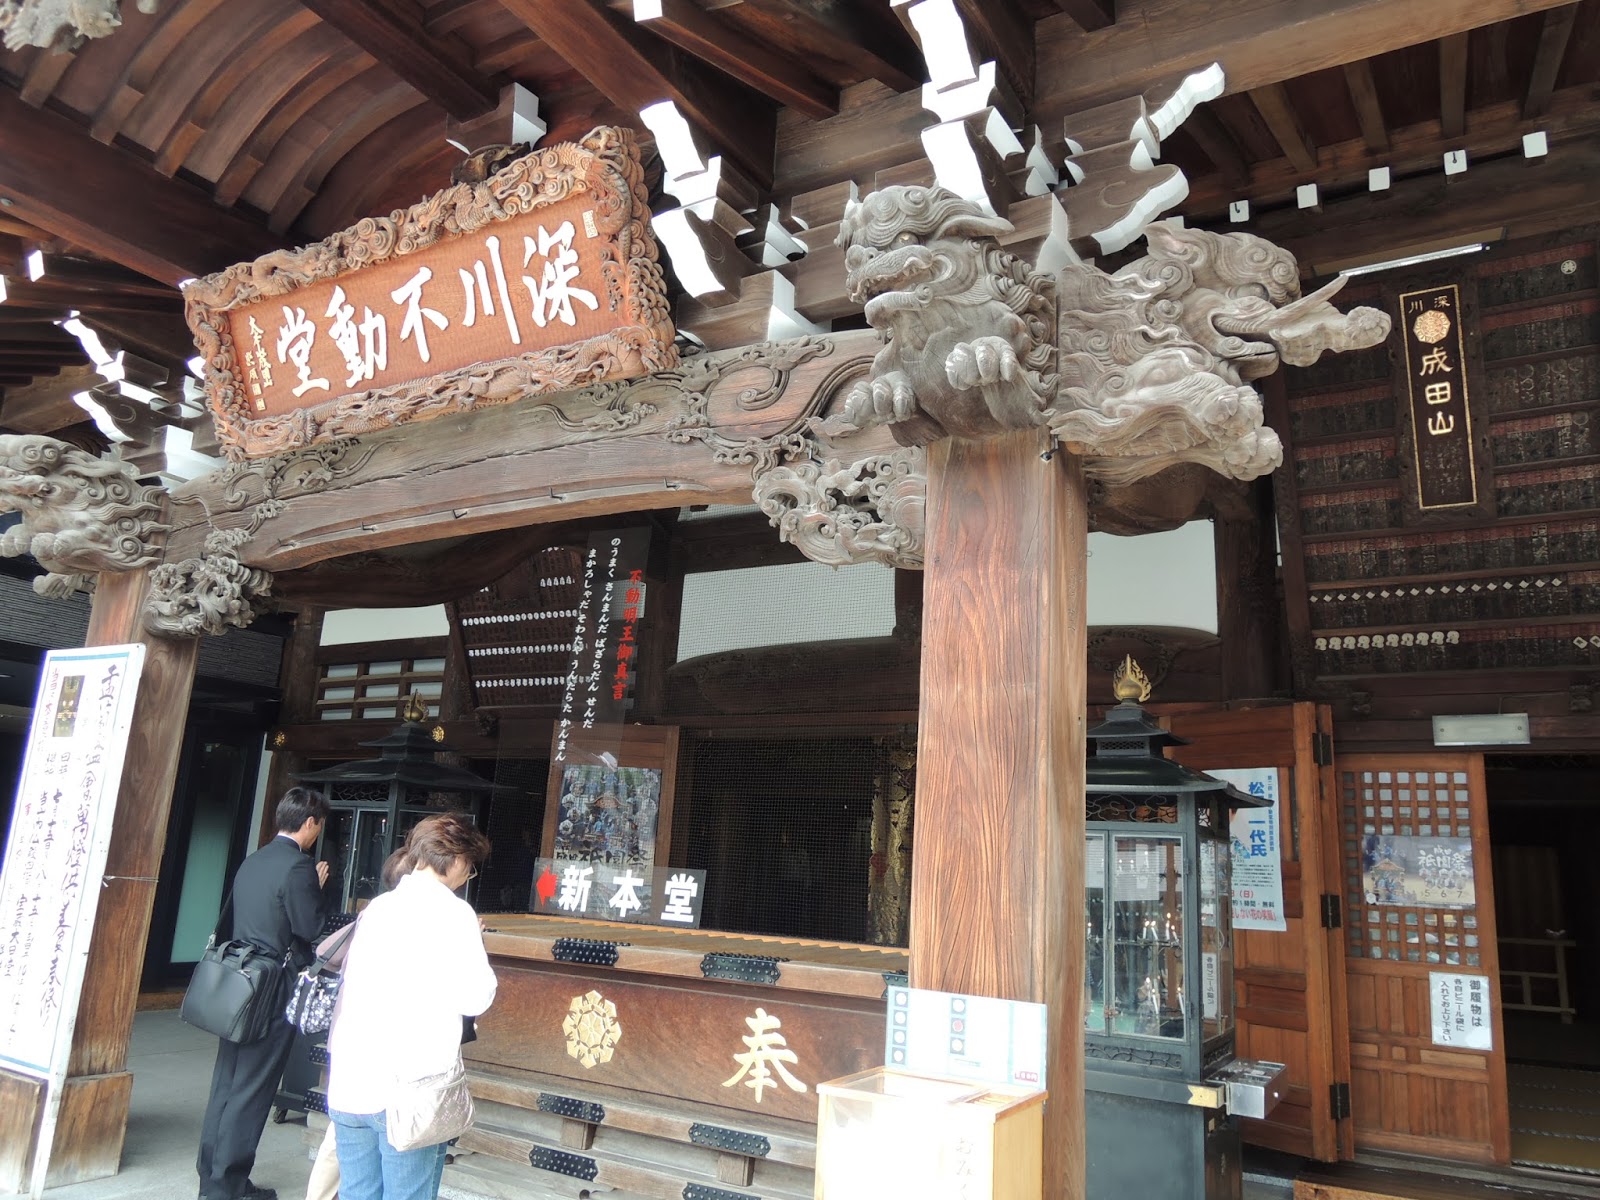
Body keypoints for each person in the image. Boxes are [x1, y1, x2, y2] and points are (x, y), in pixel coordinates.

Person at [326, 813, 496, 1200]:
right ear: (454, 859)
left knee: (357, 1193)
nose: (465, 877)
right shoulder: (454, 913)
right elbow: (476, 996)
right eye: (468, 868)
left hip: (351, 1077)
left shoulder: (378, 908)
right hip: (410, 1090)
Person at [198, 787, 332, 1200]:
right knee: (253, 1087)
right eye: (319, 826)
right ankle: (230, 1186)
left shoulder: (253, 860)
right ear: (310, 823)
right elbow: (309, 929)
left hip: (238, 981)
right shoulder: (299, 868)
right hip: (271, 985)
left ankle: (212, 1177)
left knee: (227, 1080)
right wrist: (318, 886)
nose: (317, 832)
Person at [305, 847, 414, 1200]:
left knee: (348, 1156)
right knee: (347, 1147)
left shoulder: (374, 913)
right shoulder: (404, 920)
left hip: (350, 1051)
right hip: (377, 1063)